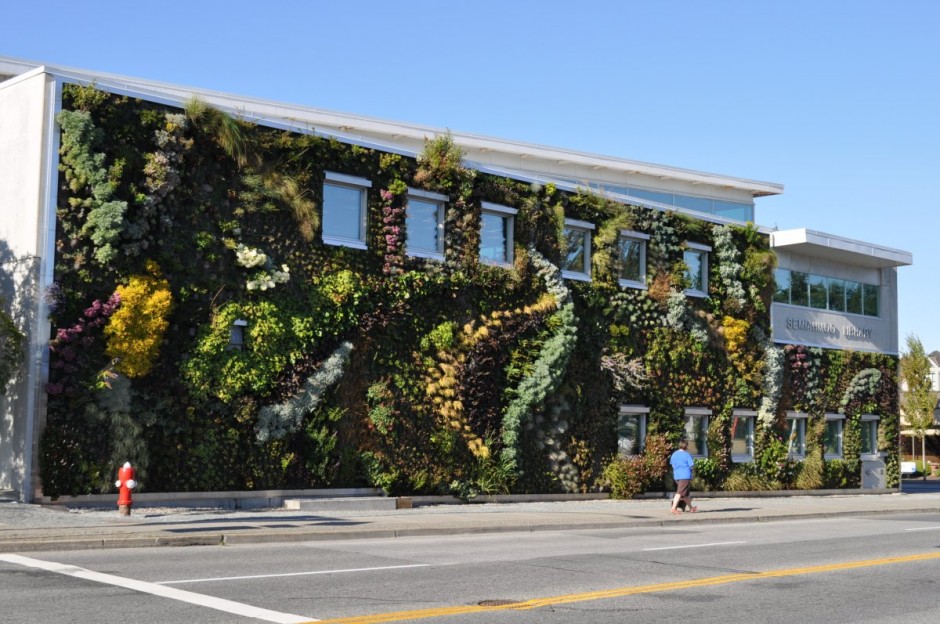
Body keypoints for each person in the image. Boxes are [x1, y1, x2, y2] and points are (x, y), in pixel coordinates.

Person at [670, 440, 697, 514]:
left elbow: (672, 465)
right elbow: (691, 466)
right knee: (679, 493)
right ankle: (673, 508)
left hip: (677, 476)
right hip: (685, 476)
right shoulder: (686, 455)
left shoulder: (674, 454)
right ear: (686, 446)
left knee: (686, 494)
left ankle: (691, 508)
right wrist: (692, 473)